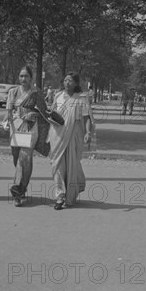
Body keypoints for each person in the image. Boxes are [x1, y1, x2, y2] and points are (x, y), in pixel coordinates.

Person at [48, 72, 93, 210]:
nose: (67, 83)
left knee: (72, 164)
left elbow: (86, 118)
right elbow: (52, 112)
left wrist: (87, 132)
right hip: (57, 134)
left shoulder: (81, 99)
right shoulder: (58, 96)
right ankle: (60, 196)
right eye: (65, 80)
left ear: (76, 83)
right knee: (58, 164)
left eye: (70, 80)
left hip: (73, 135)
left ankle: (73, 189)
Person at [7, 66, 50, 207]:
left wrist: (34, 114)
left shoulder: (36, 93)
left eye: (26, 76)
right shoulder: (13, 92)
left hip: (31, 127)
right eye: (21, 76)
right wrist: (12, 118)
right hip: (16, 127)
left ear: (31, 78)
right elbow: (9, 111)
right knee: (17, 157)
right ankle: (23, 186)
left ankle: (17, 189)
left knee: (24, 156)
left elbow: (44, 111)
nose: (23, 79)